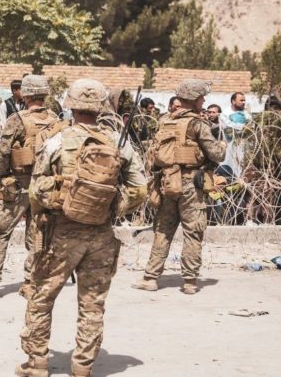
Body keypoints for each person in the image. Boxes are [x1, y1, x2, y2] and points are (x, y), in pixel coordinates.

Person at [16, 78, 147, 377]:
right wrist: (112, 206)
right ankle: (82, 366)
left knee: (41, 297)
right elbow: (140, 190)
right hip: (101, 235)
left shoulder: (57, 142)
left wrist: (47, 213)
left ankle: (36, 364)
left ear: (70, 105)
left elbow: (36, 192)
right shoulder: (117, 144)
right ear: (101, 108)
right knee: (92, 304)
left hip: (61, 234)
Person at [0, 75, 59, 301]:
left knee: (0, 232)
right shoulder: (55, 120)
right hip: (43, 186)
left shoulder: (18, 119)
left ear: (26, 95)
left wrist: (2, 179)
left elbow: (4, 152)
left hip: (17, 186)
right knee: (37, 235)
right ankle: (30, 283)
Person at [132, 80, 226, 295]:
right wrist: (222, 146)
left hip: (167, 181)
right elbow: (216, 154)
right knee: (193, 231)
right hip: (191, 183)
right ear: (193, 99)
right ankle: (190, 281)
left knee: (163, 231)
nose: (204, 101)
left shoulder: (165, 121)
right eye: (201, 97)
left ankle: (150, 277)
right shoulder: (197, 124)